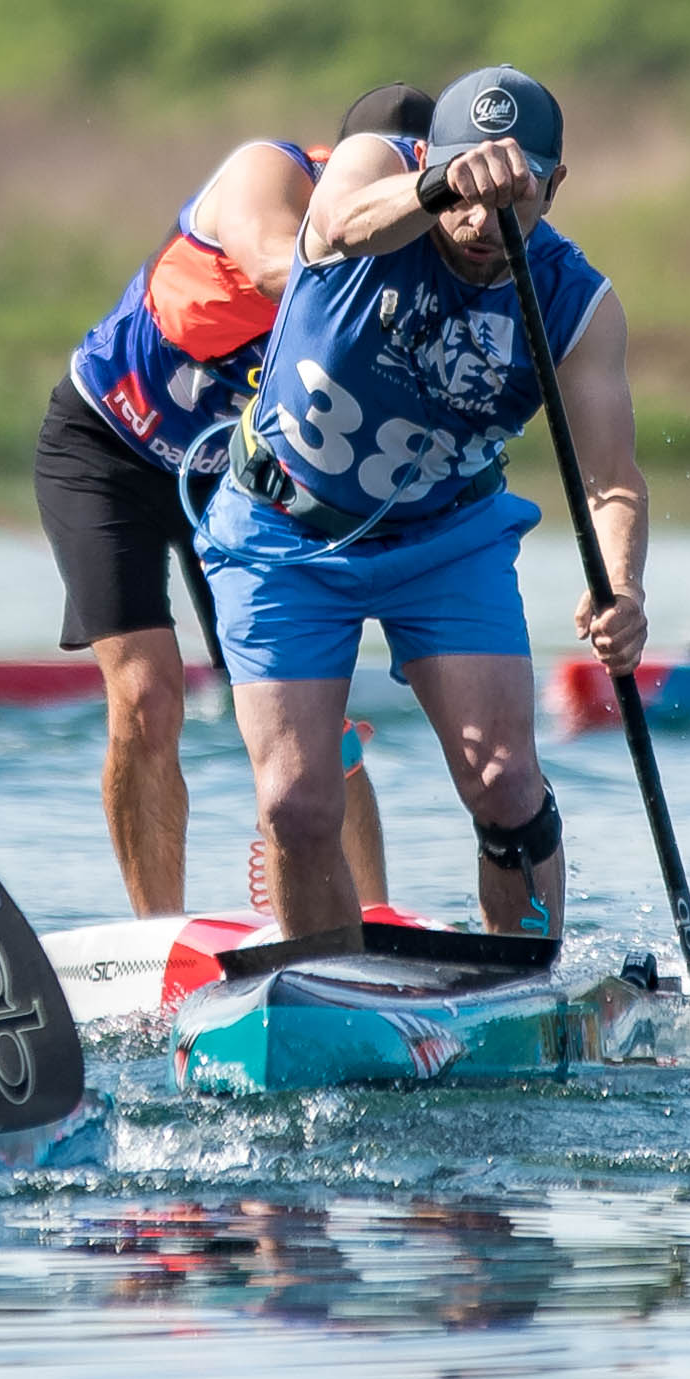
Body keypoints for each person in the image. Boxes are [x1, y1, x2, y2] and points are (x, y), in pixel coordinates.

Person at [202, 64, 649, 941]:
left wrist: (623, 588)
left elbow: (612, 481)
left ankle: (525, 978)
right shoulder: (376, 167)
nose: (481, 221)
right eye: (463, 192)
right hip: (281, 532)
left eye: (512, 194)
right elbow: (338, 221)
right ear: (426, 159)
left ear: (554, 186)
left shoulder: (578, 305)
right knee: (295, 803)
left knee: (506, 784)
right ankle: (326, 984)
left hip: (449, 543)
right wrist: (438, 181)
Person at [41, 89, 421, 918]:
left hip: (240, 477)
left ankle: (373, 923)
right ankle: (156, 937)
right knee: (147, 699)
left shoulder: (416, 277)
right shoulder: (269, 171)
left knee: (310, 711)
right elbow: (271, 263)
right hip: (106, 448)